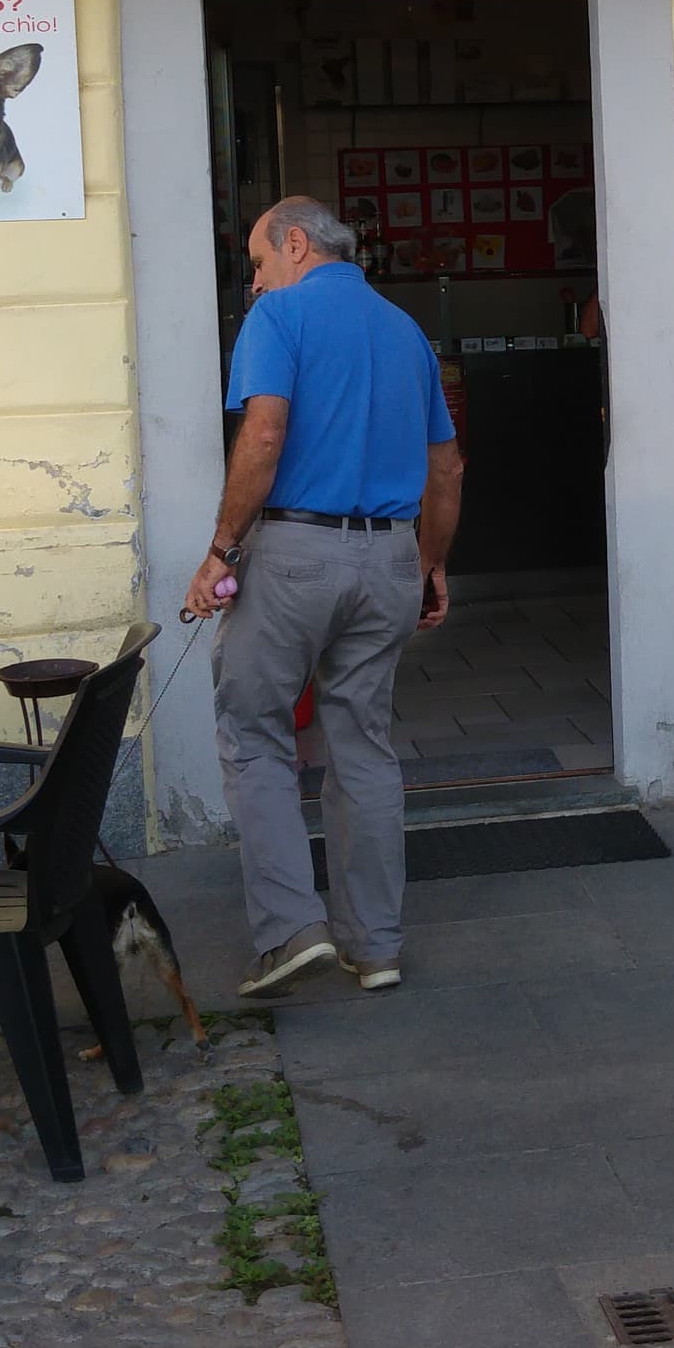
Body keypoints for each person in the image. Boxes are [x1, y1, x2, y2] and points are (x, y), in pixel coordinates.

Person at [188, 195, 463, 999]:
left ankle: (289, 931)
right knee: (362, 745)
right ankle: (373, 946)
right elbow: (446, 468)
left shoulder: (279, 320)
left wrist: (219, 552)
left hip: (294, 554)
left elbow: (264, 435)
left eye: (259, 262)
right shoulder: (405, 331)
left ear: (296, 244)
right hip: (389, 559)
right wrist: (432, 563)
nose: (257, 281)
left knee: (252, 732)